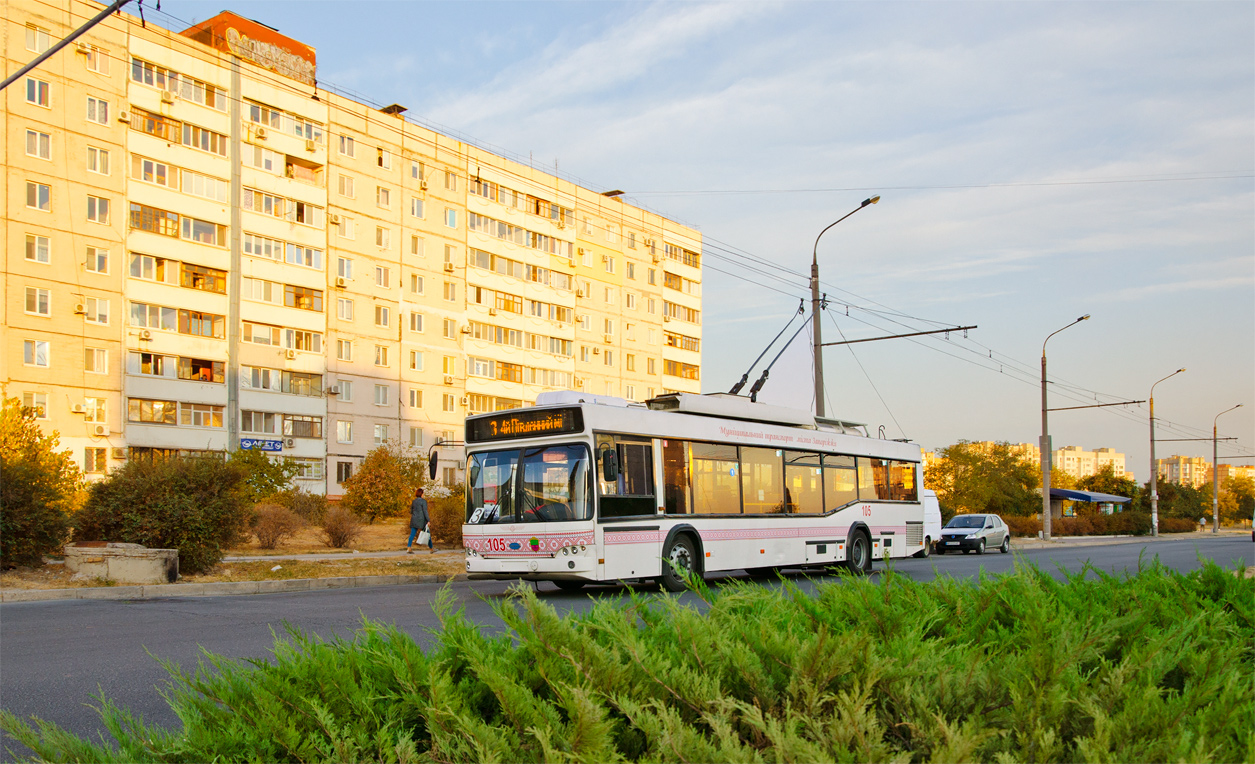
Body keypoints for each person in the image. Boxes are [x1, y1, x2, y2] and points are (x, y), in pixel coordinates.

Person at [407, 488, 432, 554]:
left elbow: (411, 511)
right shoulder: (423, 501)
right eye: (423, 493)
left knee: (412, 534)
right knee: (427, 533)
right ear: (421, 494)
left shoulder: (414, 501)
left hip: (414, 519)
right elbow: (425, 511)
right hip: (422, 520)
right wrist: (428, 520)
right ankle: (431, 548)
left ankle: (409, 547)